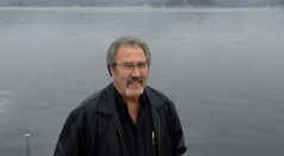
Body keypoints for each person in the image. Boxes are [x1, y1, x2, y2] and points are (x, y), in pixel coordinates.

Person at [53, 36, 187, 156]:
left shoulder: (164, 107)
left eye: (141, 65)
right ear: (111, 69)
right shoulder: (87, 116)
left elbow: (177, 151)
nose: (136, 74)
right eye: (128, 66)